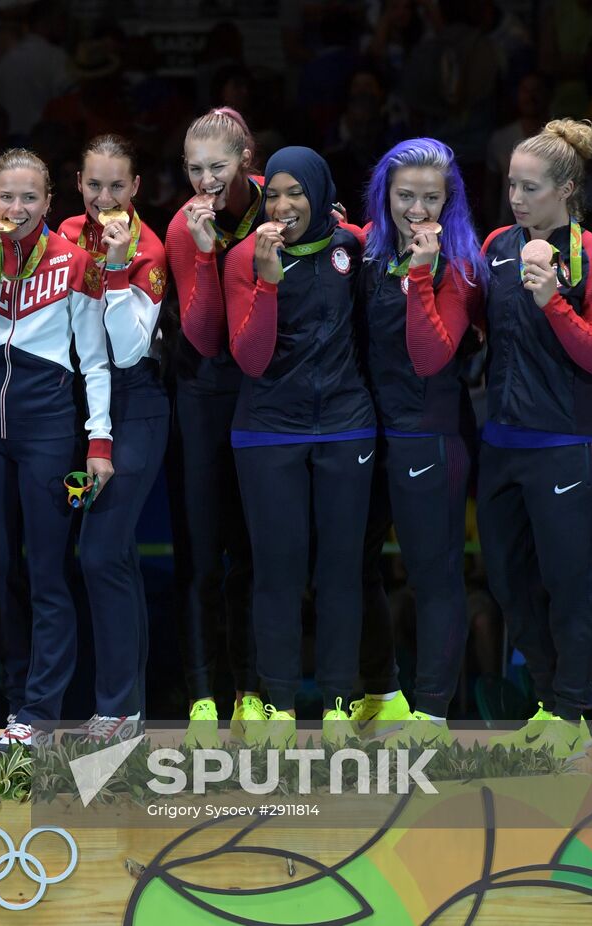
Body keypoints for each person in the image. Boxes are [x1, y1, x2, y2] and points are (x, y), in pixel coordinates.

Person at [0, 148, 113, 750]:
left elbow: (94, 360)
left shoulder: (75, 263)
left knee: (46, 571)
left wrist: (99, 440)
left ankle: (40, 710)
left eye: (30, 198)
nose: (17, 208)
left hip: (47, 425)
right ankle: (18, 700)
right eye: (6, 197)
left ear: (48, 202)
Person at [480, 119, 592, 759]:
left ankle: (570, 709)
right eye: (511, 184)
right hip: (503, 443)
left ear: (566, 190)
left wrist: (554, 304)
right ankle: (547, 700)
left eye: (530, 187)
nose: (516, 197)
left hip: (572, 444)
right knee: (509, 583)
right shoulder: (495, 246)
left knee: (570, 584)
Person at [221, 146, 376, 748]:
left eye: (297, 193)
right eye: (275, 194)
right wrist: (265, 280)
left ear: (319, 193)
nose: (284, 206)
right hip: (267, 429)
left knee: (340, 572)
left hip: (346, 426)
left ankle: (339, 702)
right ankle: (281, 704)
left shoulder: (353, 249)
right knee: (277, 574)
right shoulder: (245, 257)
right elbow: (251, 358)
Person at [353, 138, 486, 747]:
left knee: (433, 578)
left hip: (428, 437)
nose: (418, 208)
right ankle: (382, 694)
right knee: (354, 568)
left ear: (449, 198)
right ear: (385, 194)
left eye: (431, 197)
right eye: (405, 195)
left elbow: (431, 356)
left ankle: (432, 715)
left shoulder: (457, 266)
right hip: (365, 434)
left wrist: (423, 275)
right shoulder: (366, 252)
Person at [57, 134, 168, 743]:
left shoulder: (147, 249)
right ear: (78, 183)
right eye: (95, 185)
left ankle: (118, 710)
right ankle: (129, 713)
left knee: (100, 552)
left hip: (136, 405)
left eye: (117, 187)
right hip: (80, 403)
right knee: (114, 556)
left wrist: (120, 265)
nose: (105, 199)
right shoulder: (65, 236)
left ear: (136, 190)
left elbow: (127, 350)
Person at [166, 107, 263, 746]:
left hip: (261, 398)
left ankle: (253, 693)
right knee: (202, 555)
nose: (206, 181)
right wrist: (204, 255)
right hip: (201, 394)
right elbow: (201, 334)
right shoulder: (182, 224)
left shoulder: (274, 205)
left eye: (218, 168)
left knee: (252, 556)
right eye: (196, 169)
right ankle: (204, 697)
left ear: (245, 161)